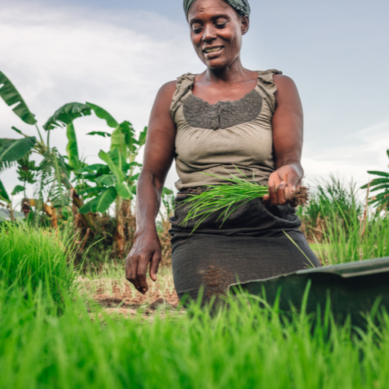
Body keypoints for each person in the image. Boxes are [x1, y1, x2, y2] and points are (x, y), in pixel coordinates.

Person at [126, 0, 320, 302]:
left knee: (315, 316)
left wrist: (289, 175)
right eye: (197, 26)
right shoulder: (172, 95)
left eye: (219, 22)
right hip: (201, 233)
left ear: (243, 23)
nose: (207, 35)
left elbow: (290, 162)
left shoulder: (278, 87)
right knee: (227, 330)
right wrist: (143, 233)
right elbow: (150, 176)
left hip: (270, 227)